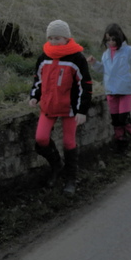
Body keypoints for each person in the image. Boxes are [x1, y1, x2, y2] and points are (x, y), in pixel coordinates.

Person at [29, 20, 92, 196]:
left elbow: (85, 85)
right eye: (50, 38)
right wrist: (34, 96)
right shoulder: (43, 57)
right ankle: (57, 165)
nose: (53, 42)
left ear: (66, 38)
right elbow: (38, 79)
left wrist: (82, 110)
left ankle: (71, 179)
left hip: (70, 109)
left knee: (68, 143)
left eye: (57, 38)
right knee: (41, 139)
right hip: (48, 106)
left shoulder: (77, 58)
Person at [88, 23, 131, 153]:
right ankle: (121, 142)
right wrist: (94, 63)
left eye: (113, 39)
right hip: (111, 91)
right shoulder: (106, 54)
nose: (111, 42)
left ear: (119, 37)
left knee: (123, 118)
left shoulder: (129, 51)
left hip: (125, 90)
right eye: (108, 40)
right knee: (115, 120)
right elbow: (104, 70)